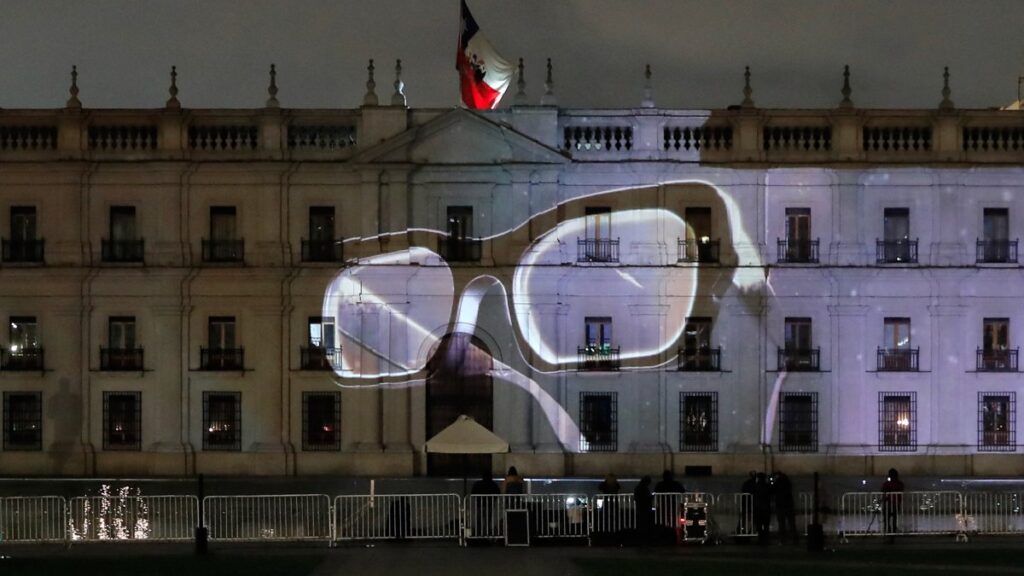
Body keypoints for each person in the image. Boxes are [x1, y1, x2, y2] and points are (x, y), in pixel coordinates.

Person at [771, 470, 797, 544]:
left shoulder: (777, 483)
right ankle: (794, 538)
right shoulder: (787, 481)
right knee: (791, 522)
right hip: (789, 504)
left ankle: (783, 538)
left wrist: (772, 483)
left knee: (781, 523)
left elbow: (772, 490)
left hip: (780, 505)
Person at [881, 468, 905, 538]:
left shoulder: (886, 484)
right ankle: (892, 535)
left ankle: (888, 534)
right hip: (895, 505)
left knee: (886, 521)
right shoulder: (900, 484)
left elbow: (883, 492)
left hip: (888, 505)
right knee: (894, 520)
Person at [752, 472, 772, 545]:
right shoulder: (767, 486)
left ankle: (761, 540)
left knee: (759, 525)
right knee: (766, 525)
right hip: (766, 508)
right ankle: (766, 540)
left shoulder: (756, 486)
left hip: (758, 508)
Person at [634, 475, 654, 543]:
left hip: (640, 509)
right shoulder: (645, 489)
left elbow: (636, 498)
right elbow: (647, 499)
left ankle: (640, 539)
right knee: (646, 525)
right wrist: (651, 497)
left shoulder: (637, 488)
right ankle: (645, 539)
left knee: (640, 525)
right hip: (645, 509)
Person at [738, 471, 756, 537]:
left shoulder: (746, 483)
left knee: (744, 518)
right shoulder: (755, 483)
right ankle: (750, 530)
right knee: (751, 518)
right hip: (751, 503)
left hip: (747, 503)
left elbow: (743, 492)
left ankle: (741, 530)